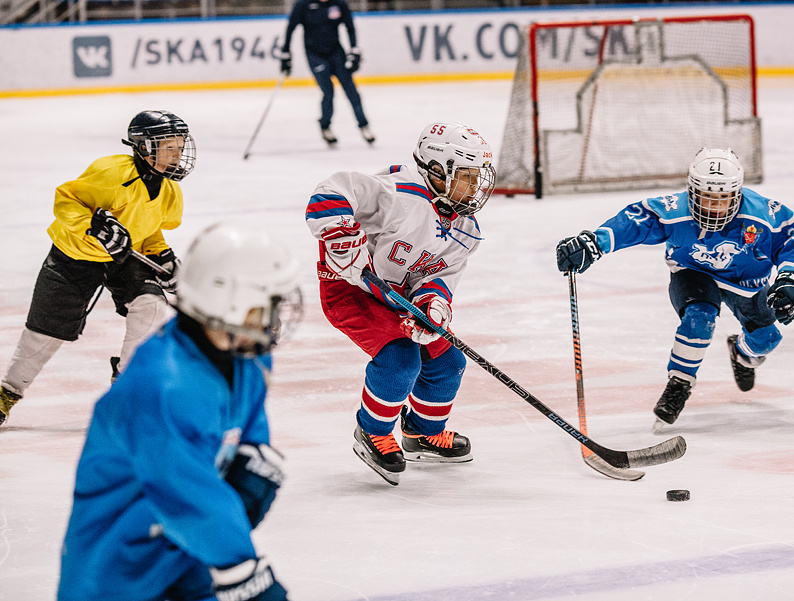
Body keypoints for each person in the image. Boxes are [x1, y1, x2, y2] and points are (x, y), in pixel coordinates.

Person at [57, 221, 303, 601]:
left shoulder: (249, 360)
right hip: (119, 566)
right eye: (266, 305)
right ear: (231, 301)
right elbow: (183, 489)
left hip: (190, 553)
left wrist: (252, 462)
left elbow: (246, 431)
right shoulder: (162, 385)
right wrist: (240, 569)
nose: (273, 320)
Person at [556, 148, 794, 430]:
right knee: (699, 318)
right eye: (706, 198)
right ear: (691, 191)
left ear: (737, 195)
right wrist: (594, 242)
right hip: (694, 273)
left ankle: (742, 355)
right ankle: (679, 384)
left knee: (767, 340)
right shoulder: (674, 210)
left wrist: (789, 280)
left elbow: (790, 243)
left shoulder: (767, 217)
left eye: (722, 200)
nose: (713, 207)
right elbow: (633, 222)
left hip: (746, 285)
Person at [305, 122, 495, 485]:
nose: (476, 187)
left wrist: (431, 309)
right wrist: (342, 240)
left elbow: (439, 279)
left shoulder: (466, 229)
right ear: (437, 170)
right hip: (351, 290)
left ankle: (423, 433)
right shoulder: (399, 194)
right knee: (399, 358)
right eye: (468, 177)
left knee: (449, 360)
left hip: (400, 298)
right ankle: (373, 431)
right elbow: (330, 192)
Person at [0, 110, 195, 427]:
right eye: (169, 147)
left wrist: (162, 257)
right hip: (75, 255)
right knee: (45, 332)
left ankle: (126, 388)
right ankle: (7, 392)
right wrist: (93, 224)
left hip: (122, 258)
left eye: (180, 146)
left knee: (151, 305)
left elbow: (148, 229)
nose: (177, 154)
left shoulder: (170, 192)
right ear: (145, 147)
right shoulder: (110, 173)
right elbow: (66, 200)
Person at [279, 0, 374, 147]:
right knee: (328, 92)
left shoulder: (339, 3)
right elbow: (291, 27)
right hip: (315, 54)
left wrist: (354, 49)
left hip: (336, 53)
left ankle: (364, 125)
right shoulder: (303, 4)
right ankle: (325, 126)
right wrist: (286, 53)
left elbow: (350, 27)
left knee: (351, 90)